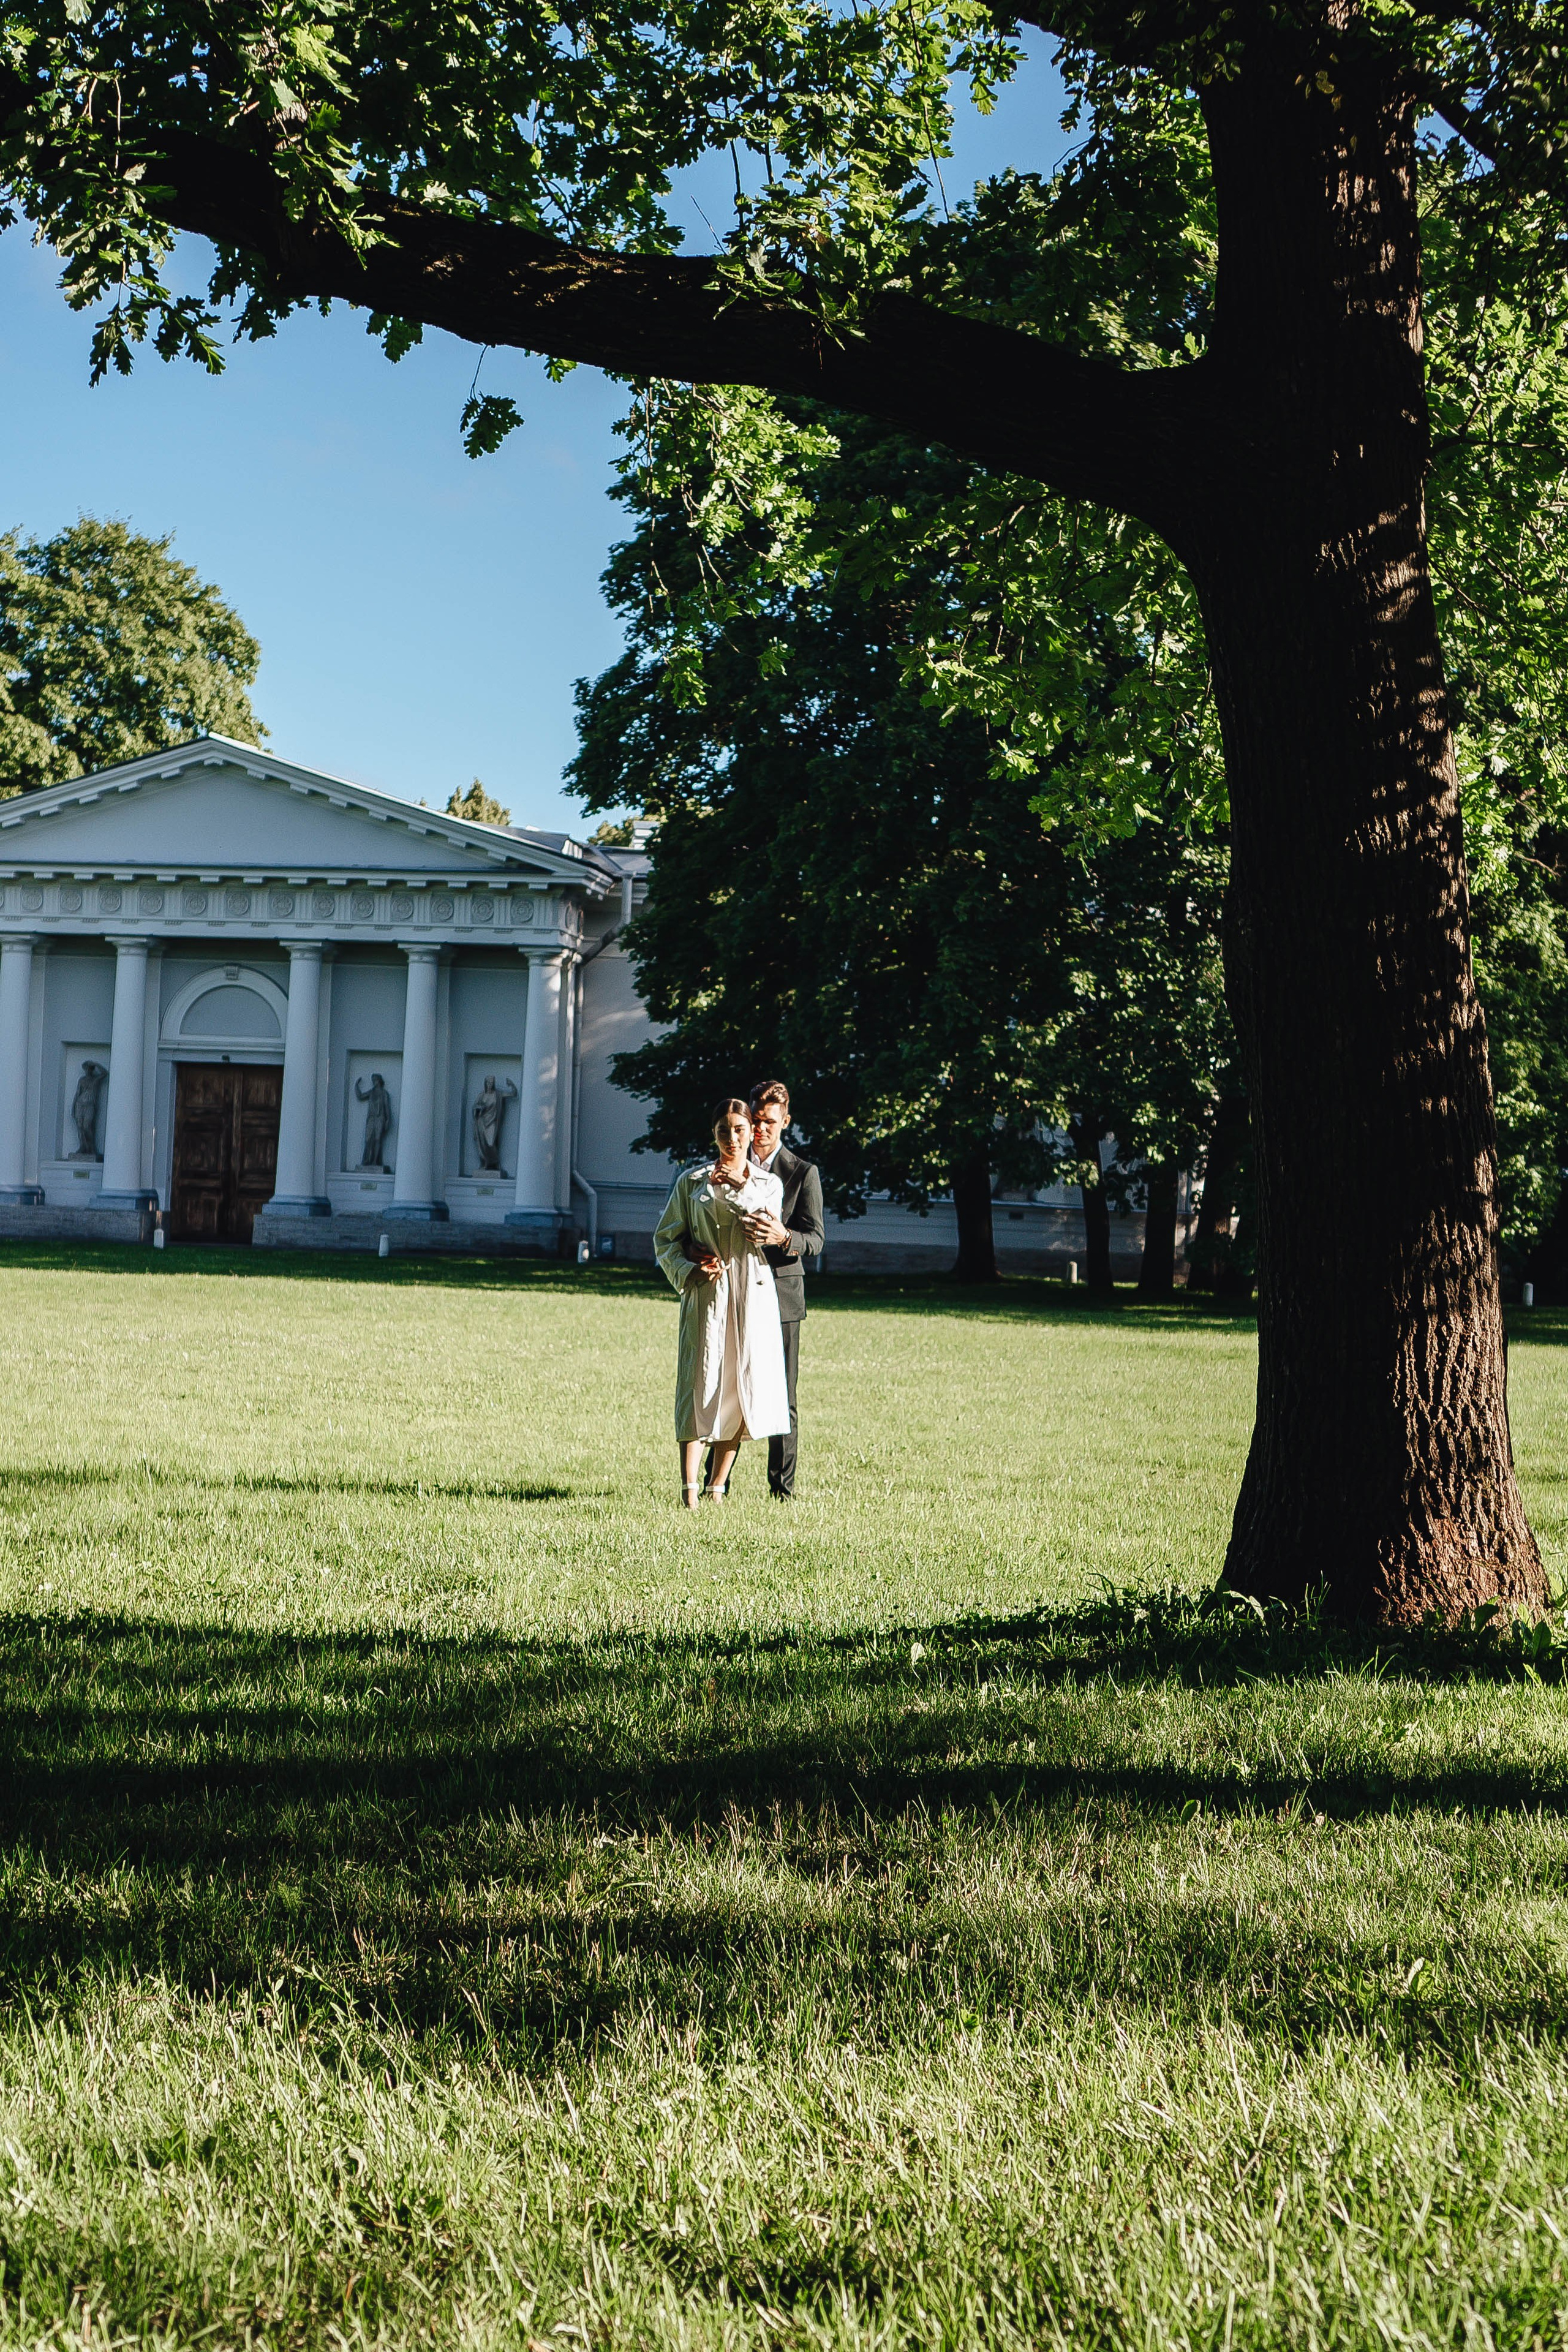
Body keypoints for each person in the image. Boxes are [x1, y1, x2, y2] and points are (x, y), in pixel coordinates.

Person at [688, 1079, 824, 1499]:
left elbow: (816, 1240)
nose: (761, 1129)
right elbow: (693, 1227)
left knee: (780, 1393)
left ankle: (781, 1490)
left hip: (781, 1294)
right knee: (723, 1382)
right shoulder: (722, 1164)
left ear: (786, 1122)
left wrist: (784, 1236)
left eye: (770, 1122)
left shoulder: (802, 1172)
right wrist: (695, 1252)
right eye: (757, 1120)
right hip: (731, 1289)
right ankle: (716, 1484)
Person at [654, 1098, 791, 1508]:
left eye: (739, 1129)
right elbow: (666, 1239)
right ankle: (688, 1490)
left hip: (752, 1292)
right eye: (723, 1130)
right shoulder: (691, 1181)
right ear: (713, 1134)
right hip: (708, 1293)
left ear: (752, 1132)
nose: (732, 1138)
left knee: (739, 1385)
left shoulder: (768, 1184)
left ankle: (716, 1488)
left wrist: (739, 1186)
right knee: (699, 1382)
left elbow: (762, 1227)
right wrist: (688, 1269)